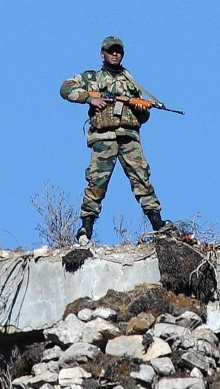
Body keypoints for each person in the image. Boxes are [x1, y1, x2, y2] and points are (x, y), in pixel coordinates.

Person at [60, 36, 171, 243]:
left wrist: (142, 110)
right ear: (102, 53)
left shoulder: (131, 82)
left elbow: (143, 117)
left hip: (129, 137)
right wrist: (90, 98)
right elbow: (65, 88)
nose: (115, 54)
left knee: (142, 179)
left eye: (118, 51)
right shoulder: (92, 78)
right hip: (104, 137)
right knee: (96, 182)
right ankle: (86, 227)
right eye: (111, 51)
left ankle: (157, 223)